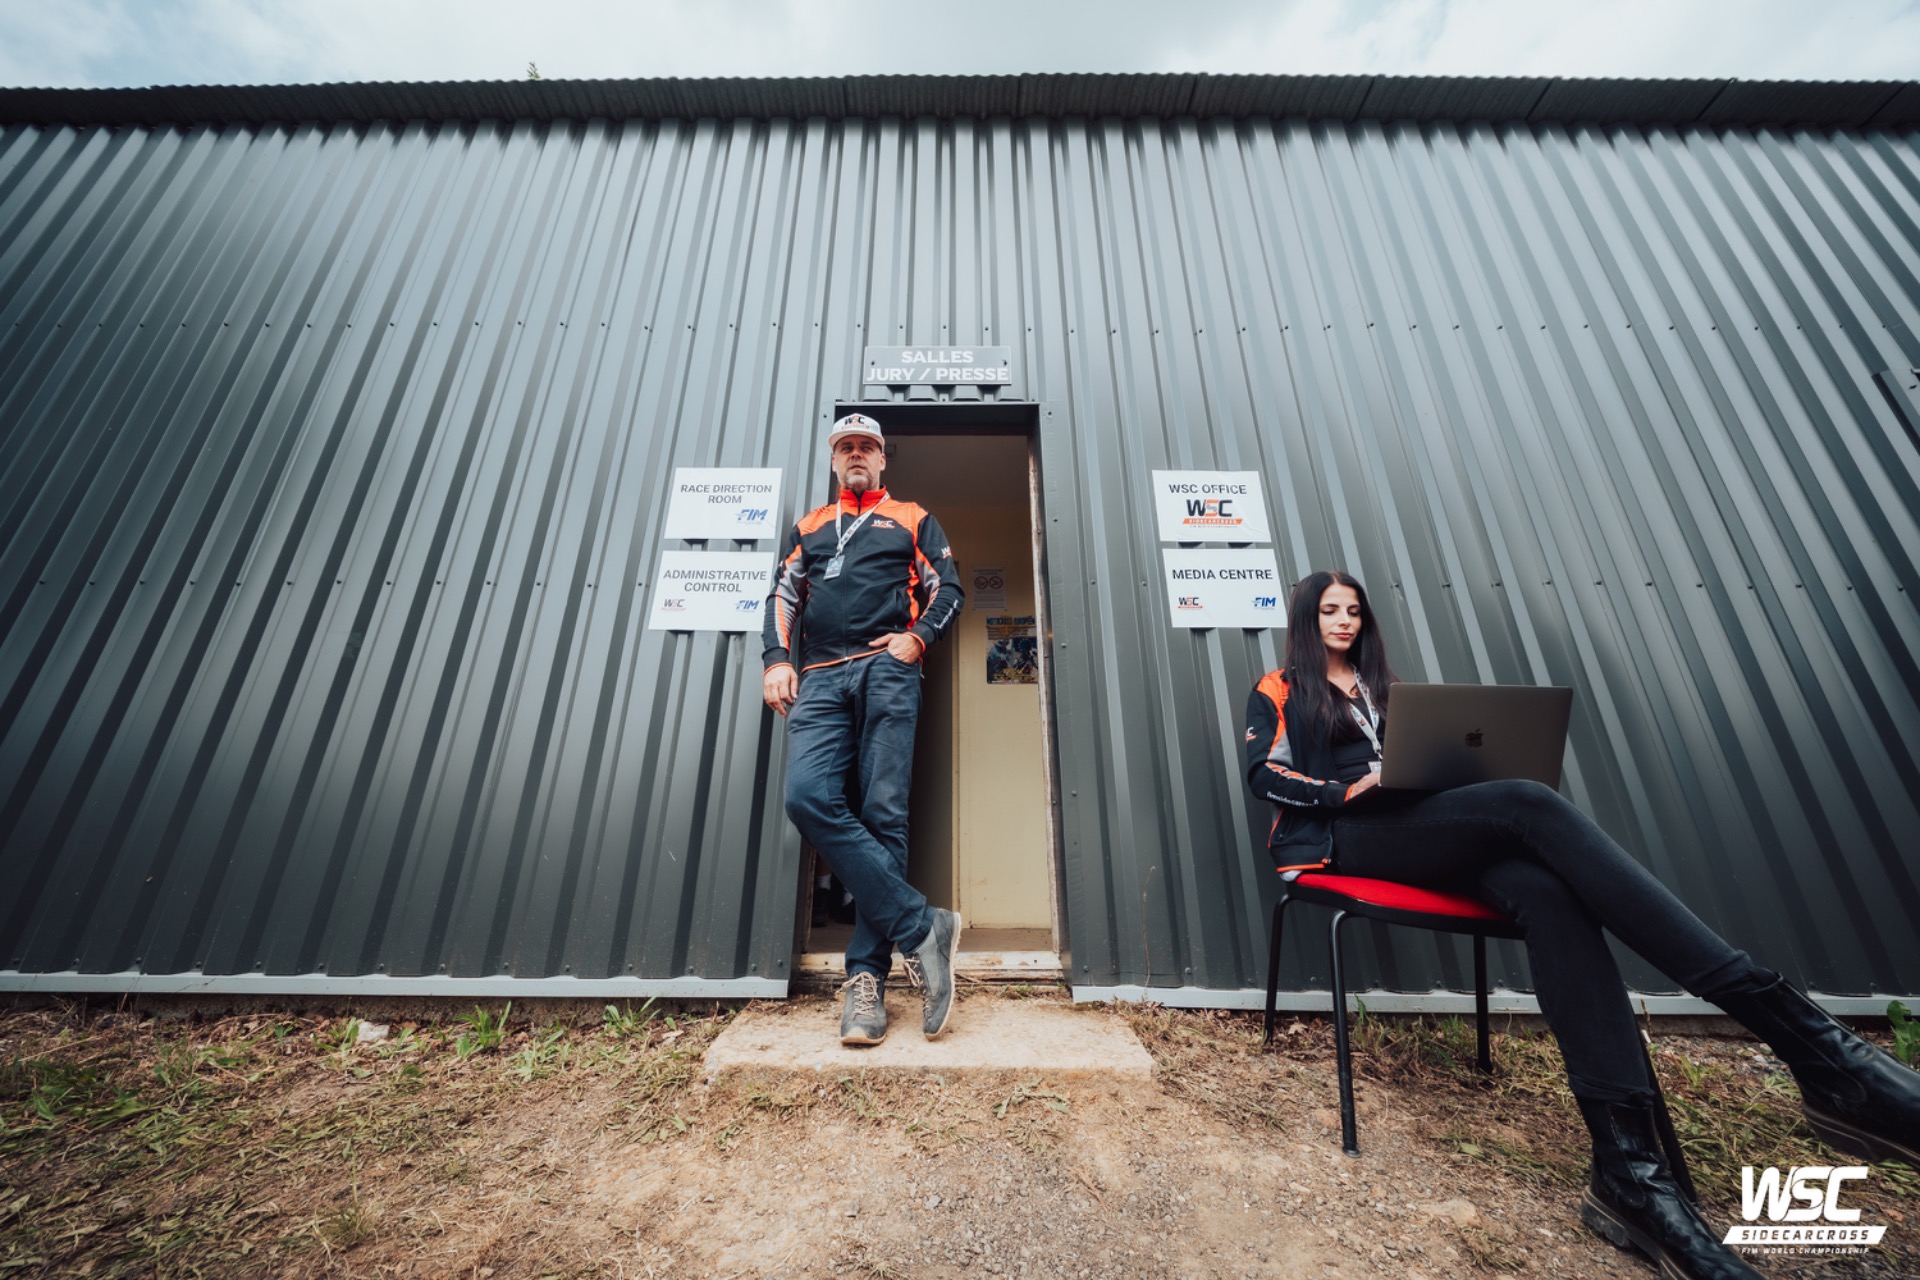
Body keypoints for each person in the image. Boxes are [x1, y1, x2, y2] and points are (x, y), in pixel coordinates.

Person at [1245, 569, 1920, 1280]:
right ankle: (1806, 1042)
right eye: (1330, 610)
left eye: (1354, 610)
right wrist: (1344, 789)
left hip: (1416, 824)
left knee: (1548, 893)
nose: (1345, 620)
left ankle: (1630, 1174)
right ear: (1306, 618)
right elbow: (1263, 774)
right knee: (1527, 804)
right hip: (1340, 836)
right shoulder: (1280, 688)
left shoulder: (1387, 689)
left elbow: (1425, 765)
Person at [763, 413, 964, 1046]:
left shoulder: (911, 517)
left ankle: (865, 981)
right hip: (821, 676)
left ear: (882, 459)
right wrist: (776, 660)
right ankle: (922, 926)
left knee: (883, 814)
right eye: (845, 447)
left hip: (886, 670)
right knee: (807, 797)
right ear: (834, 461)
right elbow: (782, 596)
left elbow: (949, 588)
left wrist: (918, 637)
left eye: (866, 447)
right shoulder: (810, 526)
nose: (855, 455)